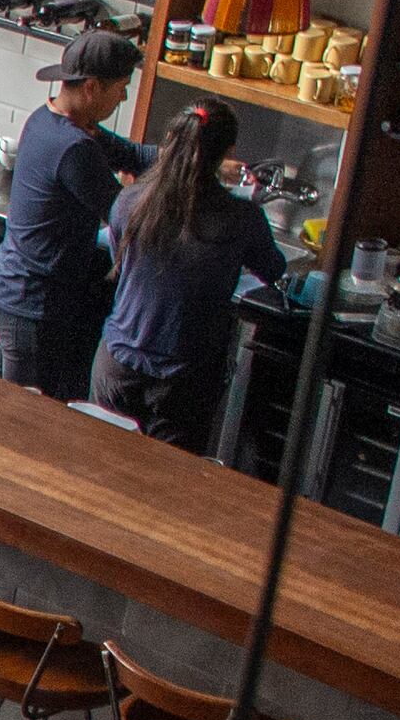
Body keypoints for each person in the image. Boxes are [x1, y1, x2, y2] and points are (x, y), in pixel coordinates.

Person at [95, 99, 289, 455]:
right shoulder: (241, 219)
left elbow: (120, 262)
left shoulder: (130, 200)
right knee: (165, 492)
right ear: (228, 152)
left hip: (117, 365)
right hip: (183, 382)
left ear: (171, 138)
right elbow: (275, 269)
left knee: (99, 472)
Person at [0, 28, 149, 401]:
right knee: (26, 421)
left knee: (0, 408)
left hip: (15, 289)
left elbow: (134, 156)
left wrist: (195, 158)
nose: (124, 96)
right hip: (34, 303)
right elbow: (124, 213)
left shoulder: (50, 120)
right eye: (121, 87)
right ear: (92, 87)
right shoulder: (73, 146)